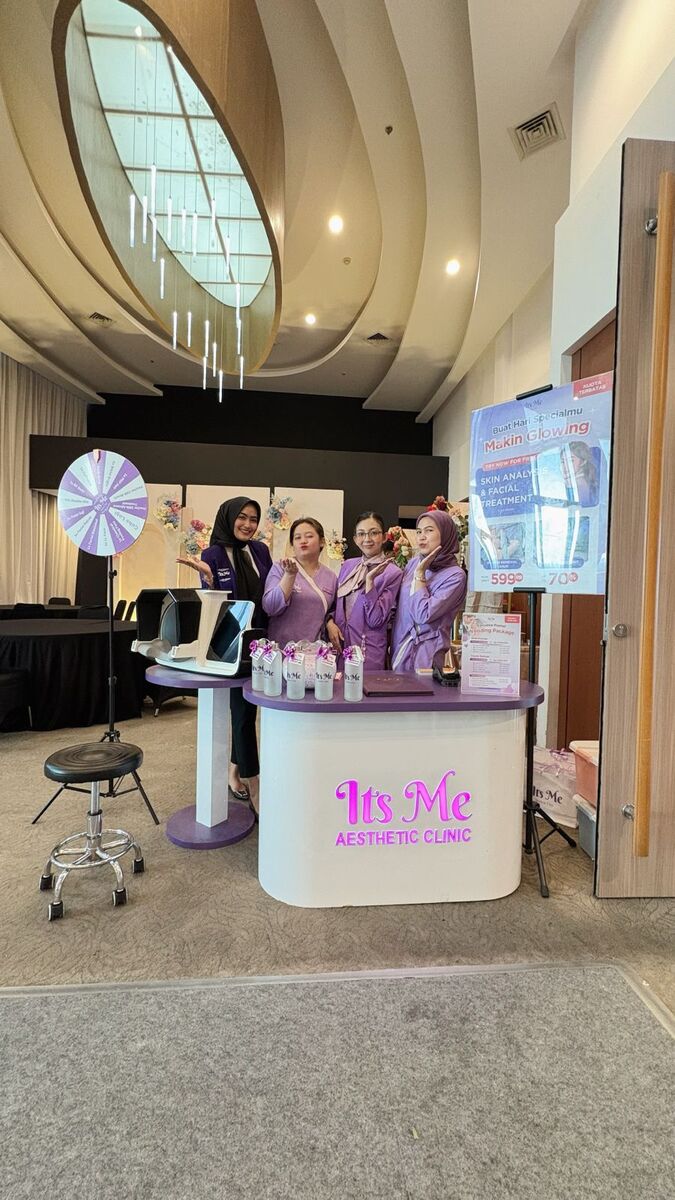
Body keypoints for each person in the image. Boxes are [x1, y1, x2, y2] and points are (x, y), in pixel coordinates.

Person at [177, 496, 272, 813]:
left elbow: (269, 592)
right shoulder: (213, 555)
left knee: (249, 712)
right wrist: (207, 581)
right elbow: (214, 604)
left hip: (260, 642)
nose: (248, 524)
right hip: (230, 645)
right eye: (242, 517)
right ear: (228, 518)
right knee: (242, 715)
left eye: (253, 518)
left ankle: (234, 770)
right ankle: (253, 783)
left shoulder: (260, 551)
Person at [390, 510, 467, 672]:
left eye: (429, 530)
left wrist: (420, 575)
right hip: (398, 645)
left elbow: (423, 614)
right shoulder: (413, 563)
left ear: (445, 534)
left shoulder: (455, 576)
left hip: (425, 653)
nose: (421, 537)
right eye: (419, 532)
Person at [326, 511, 402, 669]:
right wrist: (330, 622)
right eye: (361, 534)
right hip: (339, 648)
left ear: (384, 537)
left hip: (368, 651)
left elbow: (376, 620)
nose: (367, 539)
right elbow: (336, 605)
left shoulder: (392, 573)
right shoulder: (348, 566)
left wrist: (370, 583)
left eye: (373, 533)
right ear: (355, 539)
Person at [262, 517, 337, 645]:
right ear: (292, 544)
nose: (303, 541)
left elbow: (333, 611)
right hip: (281, 650)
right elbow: (270, 607)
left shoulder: (331, 577)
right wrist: (289, 576)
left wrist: (329, 622)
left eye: (309, 536)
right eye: (297, 538)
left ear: (322, 542)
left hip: (314, 650)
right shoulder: (280, 567)